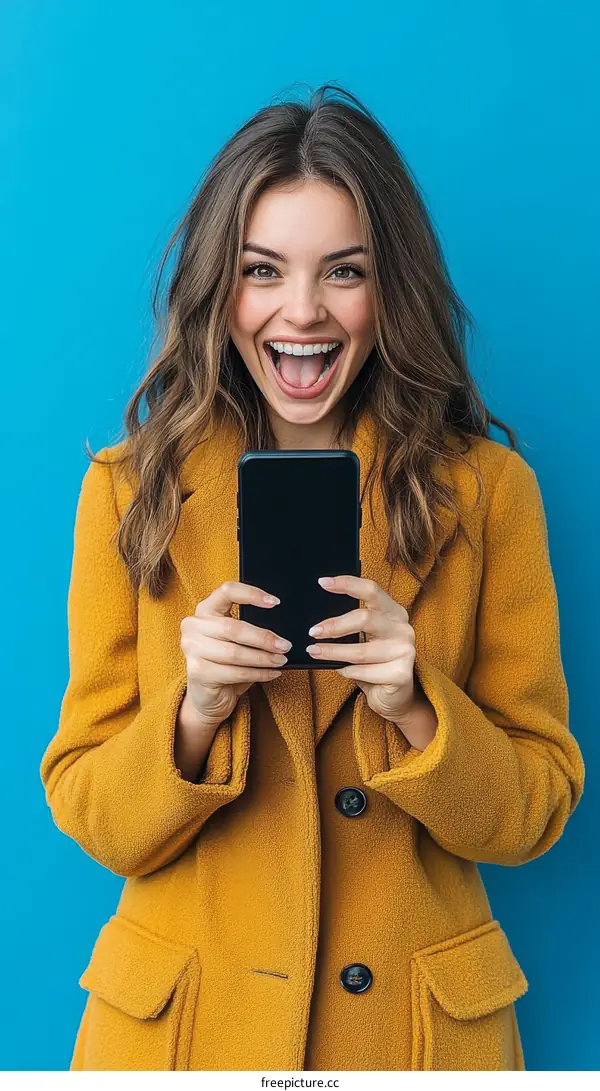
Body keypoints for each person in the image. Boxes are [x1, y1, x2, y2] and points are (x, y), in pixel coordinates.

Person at [40, 83, 585, 1073]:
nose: (302, 310)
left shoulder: (490, 492)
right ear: (221, 284)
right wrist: (193, 709)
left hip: (412, 1043)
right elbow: (89, 803)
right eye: (262, 270)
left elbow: (539, 804)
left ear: (393, 289)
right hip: (189, 1037)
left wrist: (419, 703)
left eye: (345, 271)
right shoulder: (130, 491)